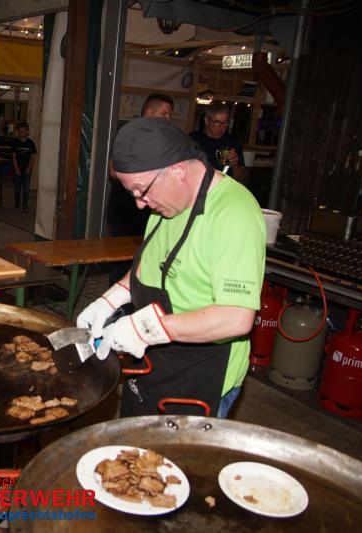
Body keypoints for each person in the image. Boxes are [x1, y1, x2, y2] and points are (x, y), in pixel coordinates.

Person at [77, 118, 265, 418]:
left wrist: (144, 329)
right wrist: (110, 299)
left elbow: (236, 318)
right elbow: (148, 267)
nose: (140, 204)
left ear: (178, 170)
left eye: (142, 191)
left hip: (202, 374)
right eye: (132, 193)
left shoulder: (234, 214)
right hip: (156, 361)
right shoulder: (166, 204)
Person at [107, 93, 174, 285]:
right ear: (149, 112)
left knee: (148, 256)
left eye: (170, 115)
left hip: (151, 208)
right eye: (164, 114)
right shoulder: (128, 134)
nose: (168, 119)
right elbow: (113, 170)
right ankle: (117, 298)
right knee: (121, 260)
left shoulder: (165, 138)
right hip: (124, 208)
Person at [189, 104, 247, 183]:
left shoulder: (232, 142)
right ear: (206, 120)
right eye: (217, 122)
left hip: (225, 187)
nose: (221, 127)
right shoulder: (192, 139)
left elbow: (241, 180)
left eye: (225, 122)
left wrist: (235, 165)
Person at [10, 122, 37, 212]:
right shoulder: (15, 143)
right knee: (17, 187)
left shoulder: (31, 143)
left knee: (26, 188)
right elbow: (14, 157)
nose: (22, 133)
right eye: (20, 131)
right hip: (17, 169)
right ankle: (17, 202)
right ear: (18, 132)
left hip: (27, 169)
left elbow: (32, 157)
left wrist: (29, 167)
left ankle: (25, 205)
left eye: (24, 131)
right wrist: (16, 168)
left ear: (27, 132)